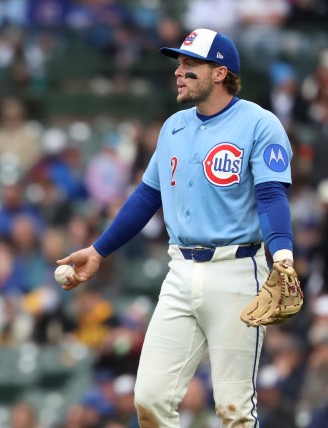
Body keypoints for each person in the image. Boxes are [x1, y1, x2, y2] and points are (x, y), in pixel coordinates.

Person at [57, 28, 296, 427]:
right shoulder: (174, 127)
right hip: (180, 272)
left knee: (234, 409)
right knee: (149, 399)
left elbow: (272, 196)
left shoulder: (259, 123)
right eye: (179, 64)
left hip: (237, 270)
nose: (178, 72)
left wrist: (283, 254)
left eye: (189, 64)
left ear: (220, 73)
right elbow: (146, 198)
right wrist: (98, 251)